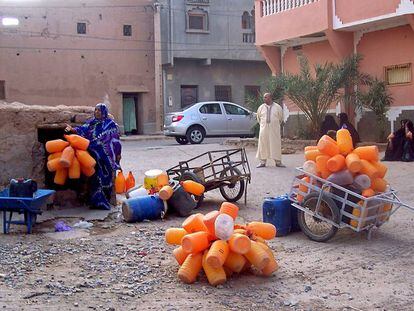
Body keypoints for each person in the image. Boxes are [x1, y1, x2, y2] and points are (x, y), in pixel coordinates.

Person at [65, 103, 122, 210]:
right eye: (95, 110)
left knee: (107, 180)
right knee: (95, 179)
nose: (96, 112)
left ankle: (107, 202)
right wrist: (71, 129)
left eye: (99, 111)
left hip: (108, 159)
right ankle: (97, 203)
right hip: (95, 156)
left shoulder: (110, 125)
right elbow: (81, 130)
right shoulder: (91, 123)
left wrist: (118, 154)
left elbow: (116, 141)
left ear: (104, 112)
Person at [256, 93, 284, 168]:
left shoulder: (278, 107)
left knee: (275, 145)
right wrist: (264, 125)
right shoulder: (261, 107)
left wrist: (273, 124)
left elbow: (280, 118)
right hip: (264, 130)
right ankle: (262, 162)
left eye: (265, 97)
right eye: (264, 97)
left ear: (270, 98)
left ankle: (278, 162)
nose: (264, 99)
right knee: (263, 145)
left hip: (274, 130)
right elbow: (258, 118)